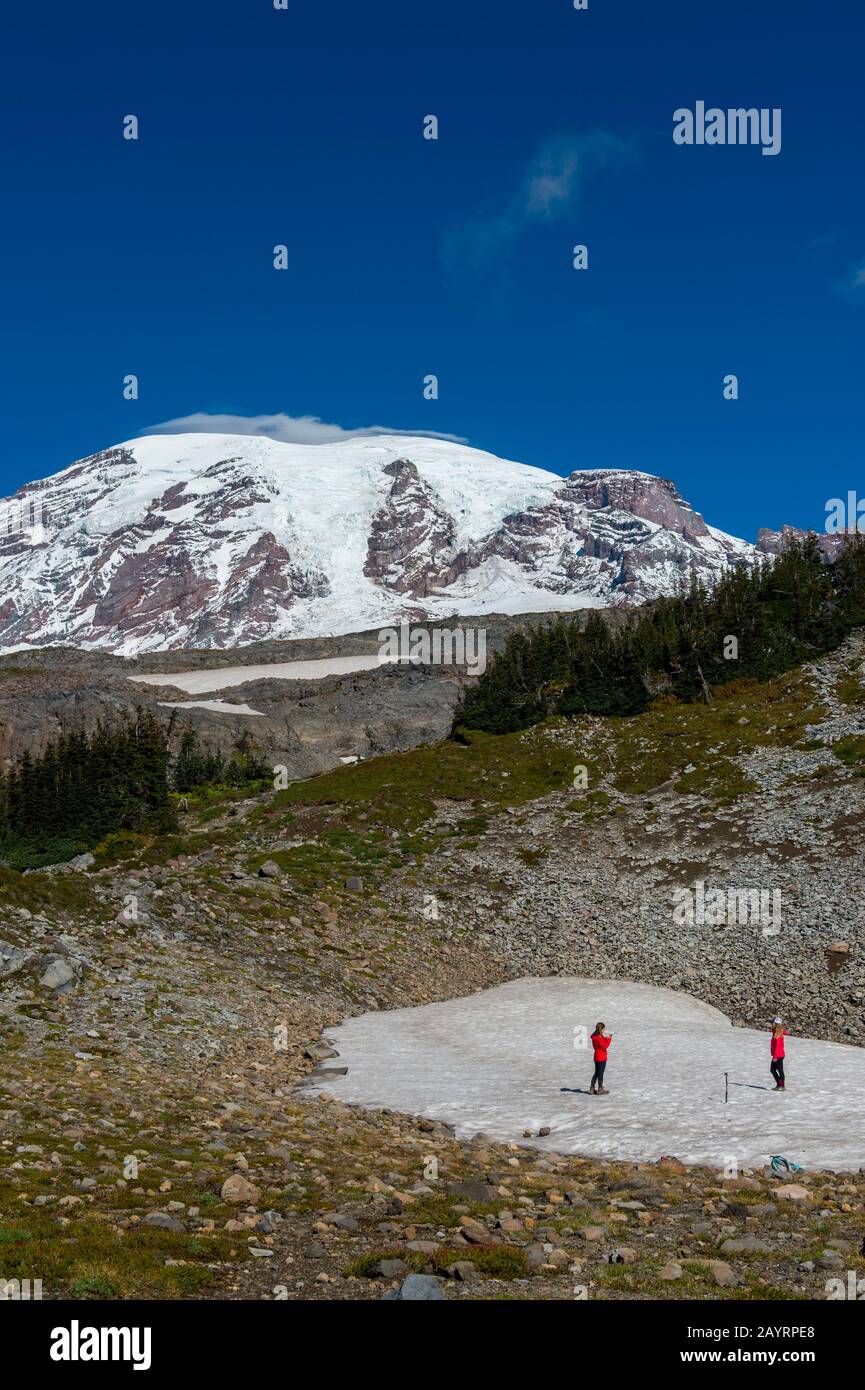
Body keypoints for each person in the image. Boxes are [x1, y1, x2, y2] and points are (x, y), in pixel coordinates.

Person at [590, 1022, 612, 1095]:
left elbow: (601, 1042)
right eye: (604, 1029)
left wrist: (604, 1036)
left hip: (596, 1056)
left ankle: (592, 1088)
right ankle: (600, 1089)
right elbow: (605, 1046)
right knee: (600, 1073)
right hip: (601, 1057)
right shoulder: (599, 1038)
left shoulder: (595, 1036)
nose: (604, 1030)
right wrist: (609, 1038)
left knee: (596, 1073)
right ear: (601, 1029)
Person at [770, 1017, 787, 1090]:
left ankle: (782, 1086)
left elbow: (778, 1047)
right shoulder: (776, 1032)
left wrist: (775, 1057)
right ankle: (779, 1085)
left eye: (773, 1023)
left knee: (779, 1071)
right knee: (773, 1070)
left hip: (778, 1055)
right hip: (777, 1055)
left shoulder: (778, 1034)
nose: (772, 1024)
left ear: (776, 1024)